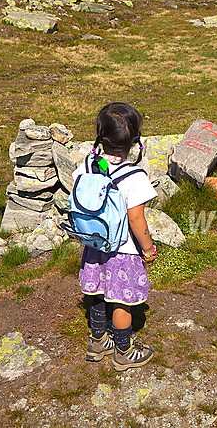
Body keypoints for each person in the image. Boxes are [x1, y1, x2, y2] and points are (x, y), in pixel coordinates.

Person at [73, 102, 158, 371]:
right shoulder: (135, 176)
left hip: (95, 243)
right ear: (135, 142)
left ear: (101, 136)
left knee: (98, 293)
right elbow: (136, 219)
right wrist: (148, 248)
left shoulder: (87, 166)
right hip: (123, 249)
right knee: (121, 299)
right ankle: (124, 350)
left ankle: (97, 341)